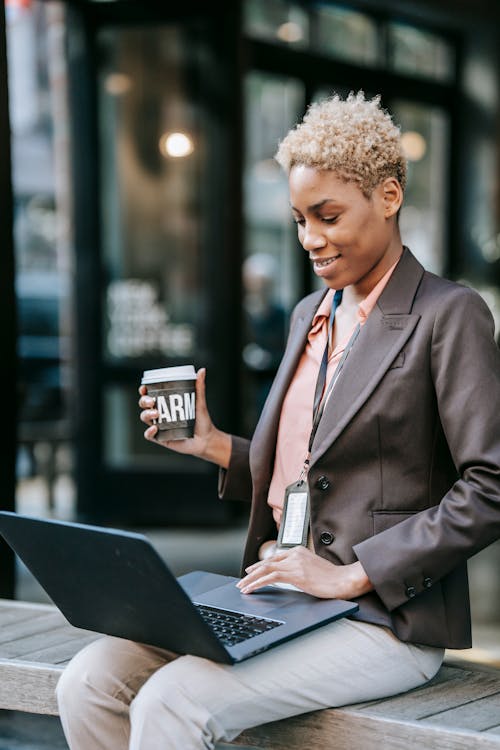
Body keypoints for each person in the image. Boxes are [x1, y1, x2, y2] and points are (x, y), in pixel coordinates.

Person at [56, 91, 500, 750]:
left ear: (388, 197)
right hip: (276, 594)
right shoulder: (308, 315)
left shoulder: (448, 314)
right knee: (88, 680)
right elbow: (314, 468)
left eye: (327, 216)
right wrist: (215, 447)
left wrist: (357, 574)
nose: (310, 240)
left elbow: (490, 484)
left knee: (176, 703)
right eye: (298, 219)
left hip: (381, 619)